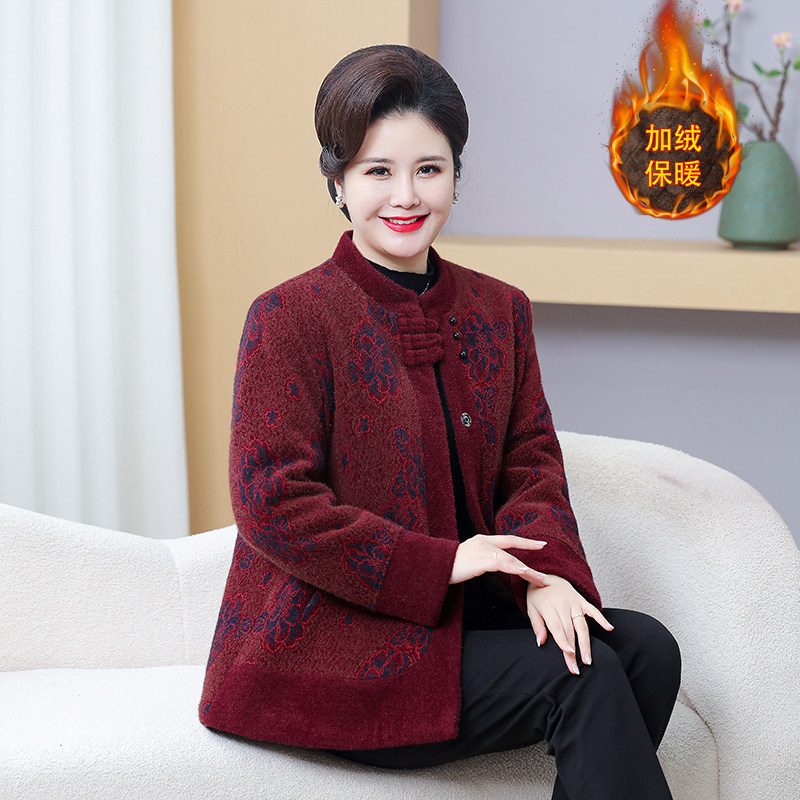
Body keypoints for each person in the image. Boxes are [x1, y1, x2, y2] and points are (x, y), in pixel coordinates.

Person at [199, 44, 681, 800]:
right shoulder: (289, 317)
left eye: (429, 169)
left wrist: (545, 579)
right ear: (337, 182)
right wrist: (439, 563)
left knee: (647, 649)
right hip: (337, 647)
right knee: (580, 676)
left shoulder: (499, 309)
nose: (406, 195)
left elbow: (530, 463)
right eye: (377, 171)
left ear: (457, 175)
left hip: (469, 622)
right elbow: (271, 501)